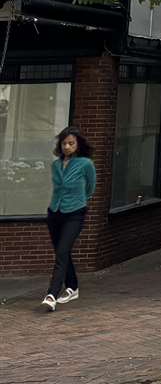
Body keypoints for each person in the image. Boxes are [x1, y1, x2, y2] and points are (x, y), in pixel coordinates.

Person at [44, 127, 96, 311]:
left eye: (71, 143)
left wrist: (79, 200)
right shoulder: (55, 165)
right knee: (62, 251)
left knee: (62, 252)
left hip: (75, 213)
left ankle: (52, 294)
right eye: (64, 143)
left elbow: (90, 187)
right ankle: (72, 287)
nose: (67, 146)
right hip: (55, 213)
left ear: (78, 144)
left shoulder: (85, 164)